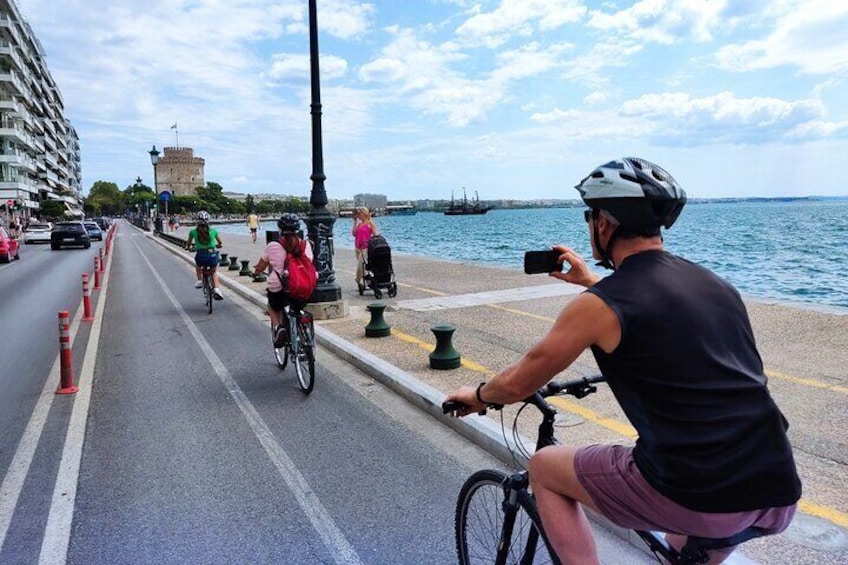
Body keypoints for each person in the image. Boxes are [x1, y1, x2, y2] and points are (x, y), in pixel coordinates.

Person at [445, 157, 801, 564]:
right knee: (681, 548)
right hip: (775, 486)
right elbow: (659, 309)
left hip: (697, 491)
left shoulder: (599, 307)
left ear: (603, 223)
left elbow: (517, 383)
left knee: (544, 467)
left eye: (589, 216)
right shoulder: (715, 285)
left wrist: (476, 395)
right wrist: (594, 280)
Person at [252, 213, 315, 346]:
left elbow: (261, 265)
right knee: (297, 307)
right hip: (303, 287)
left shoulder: (273, 246)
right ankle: (303, 333)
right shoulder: (306, 244)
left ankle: (279, 328)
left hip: (279, 287)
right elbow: (310, 262)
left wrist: (256, 273)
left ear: (280, 229)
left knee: (273, 306)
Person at [185, 210, 224, 300]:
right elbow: (220, 242)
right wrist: (218, 245)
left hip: (201, 255)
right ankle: (217, 289)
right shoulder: (213, 231)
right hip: (212, 255)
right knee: (214, 272)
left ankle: (200, 280)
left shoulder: (193, 232)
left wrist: (188, 247)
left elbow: (188, 244)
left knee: (198, 265)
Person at [352, 206, 378, 293]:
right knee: (363, 268)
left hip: (365, 248)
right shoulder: (359, 224)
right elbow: (354, 234)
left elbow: (375, 235)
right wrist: (354, 222)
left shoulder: (370, 223)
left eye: (359, 214)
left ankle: (358, 279)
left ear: (364, 214)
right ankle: (365, 283)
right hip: (357, 247)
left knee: (360, 266)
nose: (358, 215)